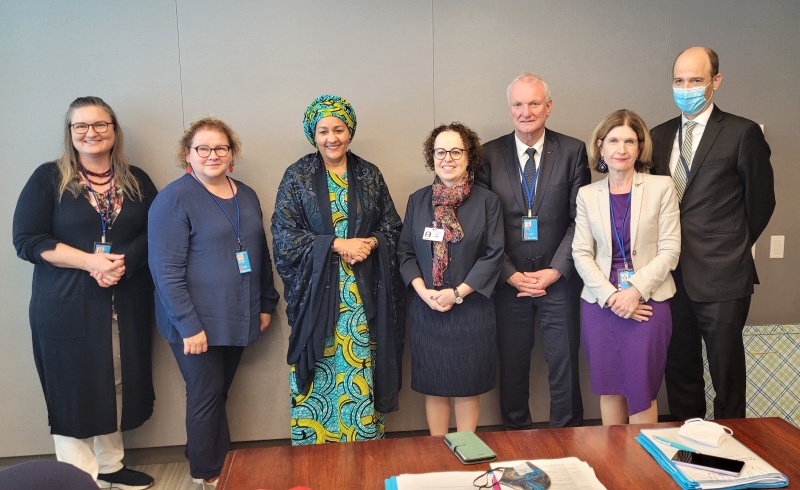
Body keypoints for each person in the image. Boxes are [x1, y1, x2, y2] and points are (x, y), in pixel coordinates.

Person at [12, 96, 156, 489]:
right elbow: (27, 240)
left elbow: (155, 230)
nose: (91, 133)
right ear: (70, 133)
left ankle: (110, 465)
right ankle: (77, 478)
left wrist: (122, 262)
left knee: (114, 382)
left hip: (123, 300)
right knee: (72, 388)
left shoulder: (136, 179)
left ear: (114, 131)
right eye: (81, 126)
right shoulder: (48, 178)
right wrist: (91, 262)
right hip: (64, 303)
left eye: (100, 125)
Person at [148, 117, 279, 488]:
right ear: (186, 155)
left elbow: (259, 252)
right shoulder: (173, 199)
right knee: (205, 394)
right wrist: (189, 326)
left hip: (237, 314)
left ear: (232, 153)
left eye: (221, 147)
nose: (212, 155)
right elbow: (165, 270)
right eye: (202, 148)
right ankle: (210, 473)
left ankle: (205, 456)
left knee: (216, 393)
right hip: (194, 322)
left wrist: (266, 303)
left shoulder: (247, 194)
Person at [651, 47, 776, 420]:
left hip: (724, 277)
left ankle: (733, 454)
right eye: (679, 80)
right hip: (670, 277)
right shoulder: (657, 135)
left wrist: (732, 246)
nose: (685, 87)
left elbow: (761, 203)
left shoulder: (742, 132)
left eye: (696, 80)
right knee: (680, 371)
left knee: (726, 375)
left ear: (715, 82)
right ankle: (690, 450)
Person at [272, 95, 405, 445]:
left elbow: (392, 228)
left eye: (339, 129)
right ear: (312, 135)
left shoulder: (369, 174)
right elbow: (284, 235)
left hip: (362, 297)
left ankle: (364, 456)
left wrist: (371, 243)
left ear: (350, 132)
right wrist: (335, 244)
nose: (332, 137)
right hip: (317, 297)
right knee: (321, 373)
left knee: (359, 369)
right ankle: (316, 462)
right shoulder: (298, 176)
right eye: (323, 130)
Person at [476, 73, 590, 429]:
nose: (526, 112)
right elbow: (483, 223)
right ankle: (516, 439)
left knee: (565, 366)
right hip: (509, 282)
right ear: (509, 109)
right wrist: (509, 273)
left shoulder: (572, 151)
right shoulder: (488, 155)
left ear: (548, 107)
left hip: (559, 280)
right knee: (511, 367)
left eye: (534, 103)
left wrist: (556, 270)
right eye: (518, 104)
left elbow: (580, 219)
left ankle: (567, 440)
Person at [573, 109, 681, 425]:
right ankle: (614, 468)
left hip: (649, 301)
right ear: (601, 146)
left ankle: (642, 469)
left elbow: (670, 249)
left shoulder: (661, 187)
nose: (621, 149)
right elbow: (581, 253)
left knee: (641, 390)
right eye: (614, 140)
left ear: (640, 147)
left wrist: (634, 292)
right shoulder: (587, 195)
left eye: (630, 141)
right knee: (610, 388)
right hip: (601, 302)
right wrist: (612, 297)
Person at [397, 122, 504, 435]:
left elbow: (493, 255)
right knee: (435, 384)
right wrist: (423, 292)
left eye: (456, 151)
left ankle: (466, 452)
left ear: (468, 155)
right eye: (440, 151)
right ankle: (438, 454)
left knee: (467, 385)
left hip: (470, 308)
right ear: (432, 157)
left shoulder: (487, 202)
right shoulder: (417, 201)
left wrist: (457, 293)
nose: (448, 158)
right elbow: (405, 254)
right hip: (427, 307)